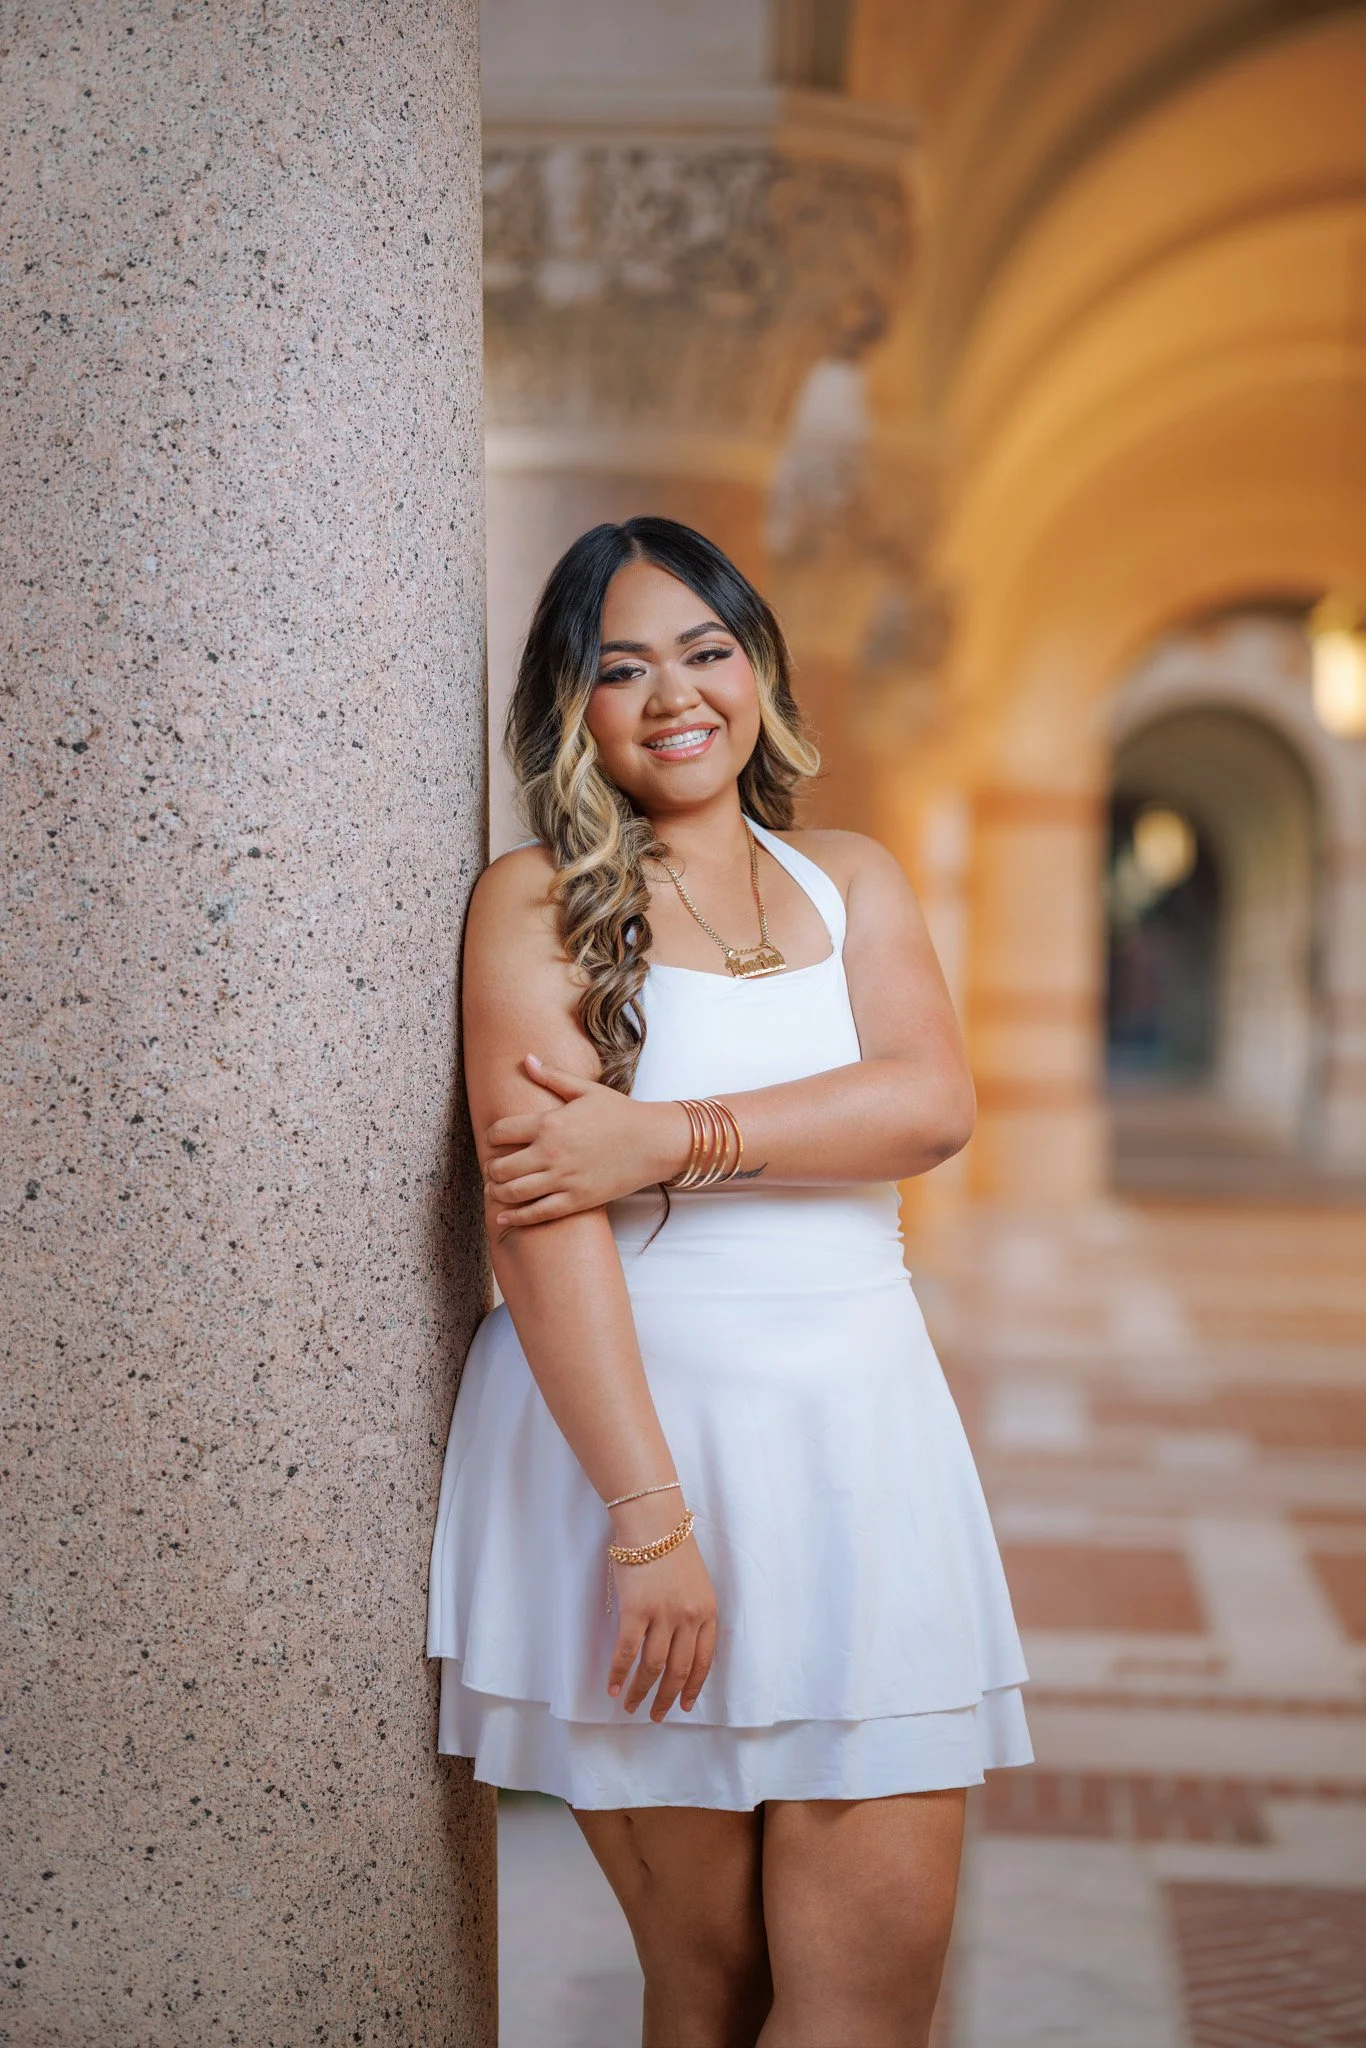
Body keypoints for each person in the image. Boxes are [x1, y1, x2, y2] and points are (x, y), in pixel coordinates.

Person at [427, 517, 1030, 2048]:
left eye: (705, 651)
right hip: (629, 1456)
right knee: (710, 1992)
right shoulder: (530, 901)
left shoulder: (848, 880)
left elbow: (927, 1105)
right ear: (571, 705)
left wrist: (663, 1138)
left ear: (756, 666)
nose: (674, 694)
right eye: (619, 667)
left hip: (861, 1445)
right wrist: (649, 1526)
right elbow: (540, 1220)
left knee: (867, 2005)